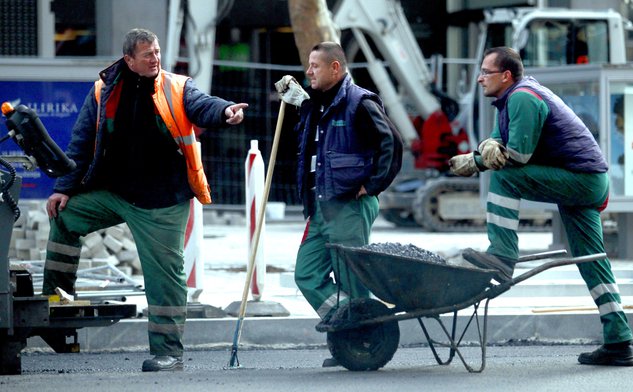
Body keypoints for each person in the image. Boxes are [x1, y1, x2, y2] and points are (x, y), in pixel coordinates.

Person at [42, 28, 248, 372]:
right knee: (64, 216)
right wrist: (63, 187)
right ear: (129, 60)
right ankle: (56, 307)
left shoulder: (177, 86)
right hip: (114, 192)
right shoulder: (102, 90)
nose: (156, 59)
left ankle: (169, 353)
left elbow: (202, 106)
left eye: (157, 52)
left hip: (162, 200)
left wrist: (226, 112)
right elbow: (80, 142)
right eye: (148, 55)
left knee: (165, 277)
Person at [449, 47, 633, 366]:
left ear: (506, 75)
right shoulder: (506, 101)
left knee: (504, 176)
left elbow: (516, 156)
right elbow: (496, 144)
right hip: (585, 181)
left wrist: (477, 161)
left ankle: (502, 254)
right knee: (592, 263)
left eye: (485, 72)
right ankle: (620, 342)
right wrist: (485, 150)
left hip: (582, 180)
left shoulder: (523, 97)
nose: (479, 78)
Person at [292, 42, 401, 366]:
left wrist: (372, 185)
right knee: (306, 274)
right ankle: (349, 330)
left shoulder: (358, 102)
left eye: (314, 66)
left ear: (335, 68)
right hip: (321, 206)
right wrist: (297, 101)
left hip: (348, 206)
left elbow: (392, 145)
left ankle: (359, 344)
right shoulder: (318, 104)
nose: (308, 71)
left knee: (352, 280)